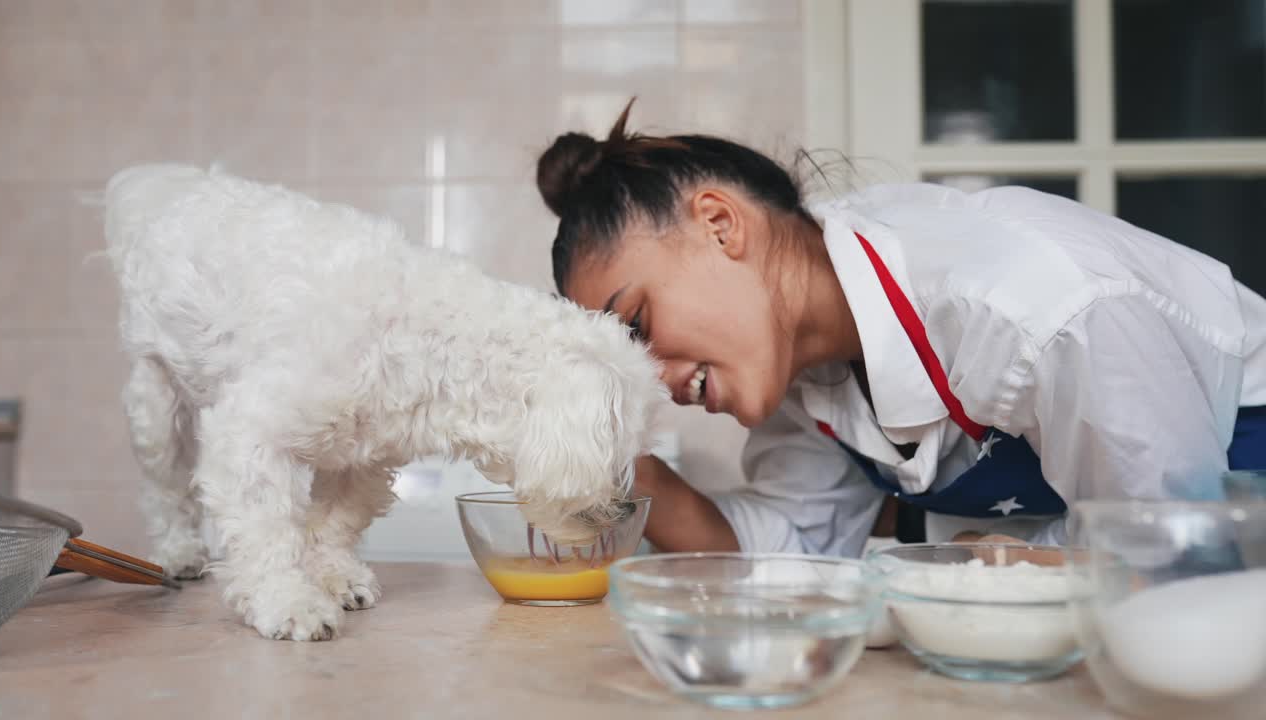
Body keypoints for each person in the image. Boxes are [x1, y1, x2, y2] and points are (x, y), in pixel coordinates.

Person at [534, 101, 1266, 557]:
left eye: (638, 323)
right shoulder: (804, 369)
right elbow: (788, 552)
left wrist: (988, 566)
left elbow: (1171, 551)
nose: (657, 380)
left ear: (721, 224)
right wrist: (624, 468)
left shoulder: (1037, 304)